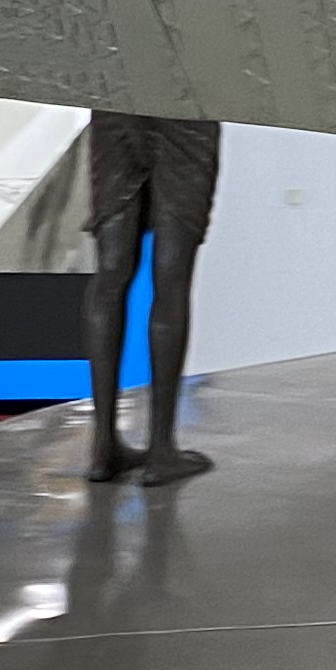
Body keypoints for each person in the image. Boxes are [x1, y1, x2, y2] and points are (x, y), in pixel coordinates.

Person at [82, 110, 218, 483]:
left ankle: (104, 446)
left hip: (116, 103)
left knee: (110, 274)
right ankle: (161, 450)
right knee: (170, 279)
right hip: (185, 107)